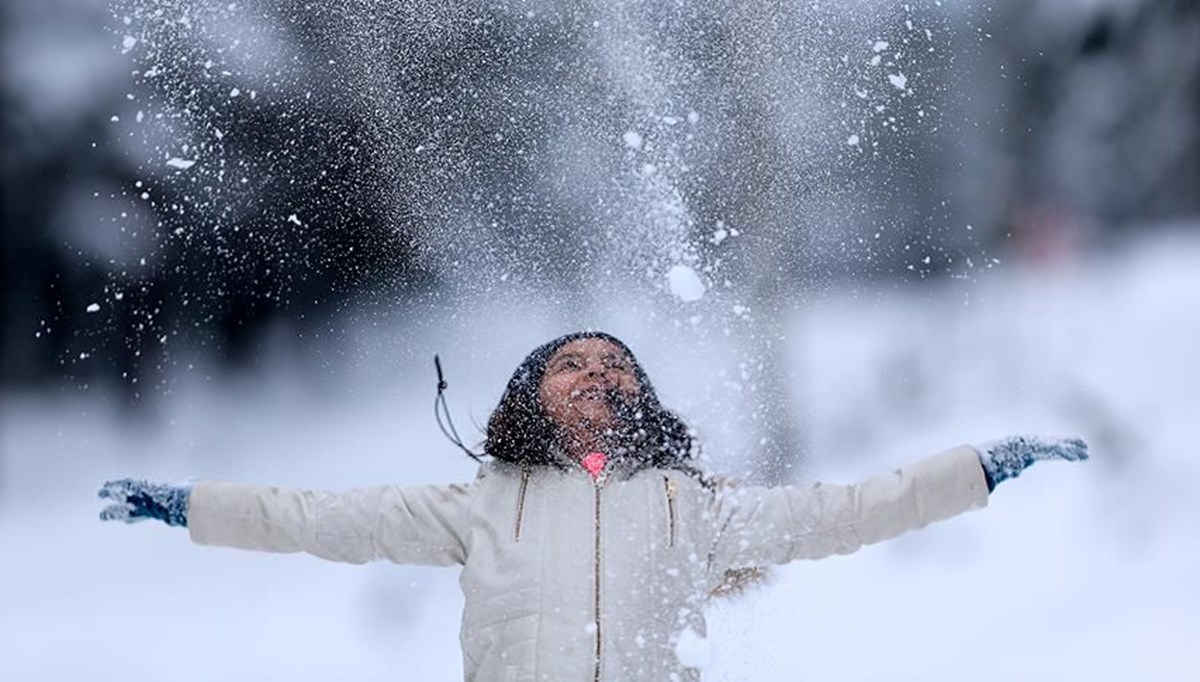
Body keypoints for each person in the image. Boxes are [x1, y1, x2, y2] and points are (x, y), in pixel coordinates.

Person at [98, 331, 1088, 681]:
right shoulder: (480, 504)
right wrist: (191, 505)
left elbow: (849, 509)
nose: (596, 374)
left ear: (640, 398)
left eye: (616, 366)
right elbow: (314, 516)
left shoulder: (691, 508)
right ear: (531, 394)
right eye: (571, 363)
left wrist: (979, 468)